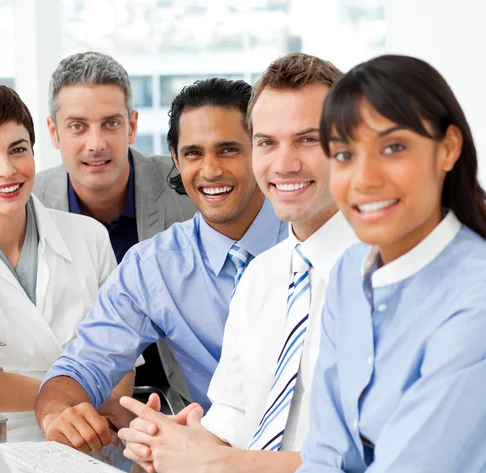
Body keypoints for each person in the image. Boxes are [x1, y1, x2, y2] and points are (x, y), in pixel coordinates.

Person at [117, 53, 358, 473]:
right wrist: (177, 442)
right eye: (267, 142)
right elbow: (230, 417)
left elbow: (373, 457)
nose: (283, 164)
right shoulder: (261, 277)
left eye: (307, 139)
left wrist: (224, 463)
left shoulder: (389, 277)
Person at [34, 77, 288, 453]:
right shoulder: (153, 267)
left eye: (228, 149)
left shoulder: (306, 241)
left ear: (260, 149)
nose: (210, 170)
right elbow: (80, 367)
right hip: (211, 459)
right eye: (193, 153)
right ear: (175, 158)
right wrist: (58, 413)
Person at [294, 54, 486, 472]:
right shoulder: (349, 272)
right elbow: (324, 454)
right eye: (343, 154)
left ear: (447, 148)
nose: (364, 178)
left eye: (393, 148)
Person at [0, 84, 132, 442]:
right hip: (2, 445)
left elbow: (121, 352)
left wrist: (92, 408)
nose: (7, 170)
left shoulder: (89, 236)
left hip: (95, 436)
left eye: (18, 150)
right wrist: (66, 400)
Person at [34, 52, 197, 390]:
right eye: (77, 126)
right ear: (53, 132)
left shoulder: (187, 191)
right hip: (78, 407)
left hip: (180, 405)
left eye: (111, 123)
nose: (96, 144)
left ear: (132, 126)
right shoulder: (29, 204)